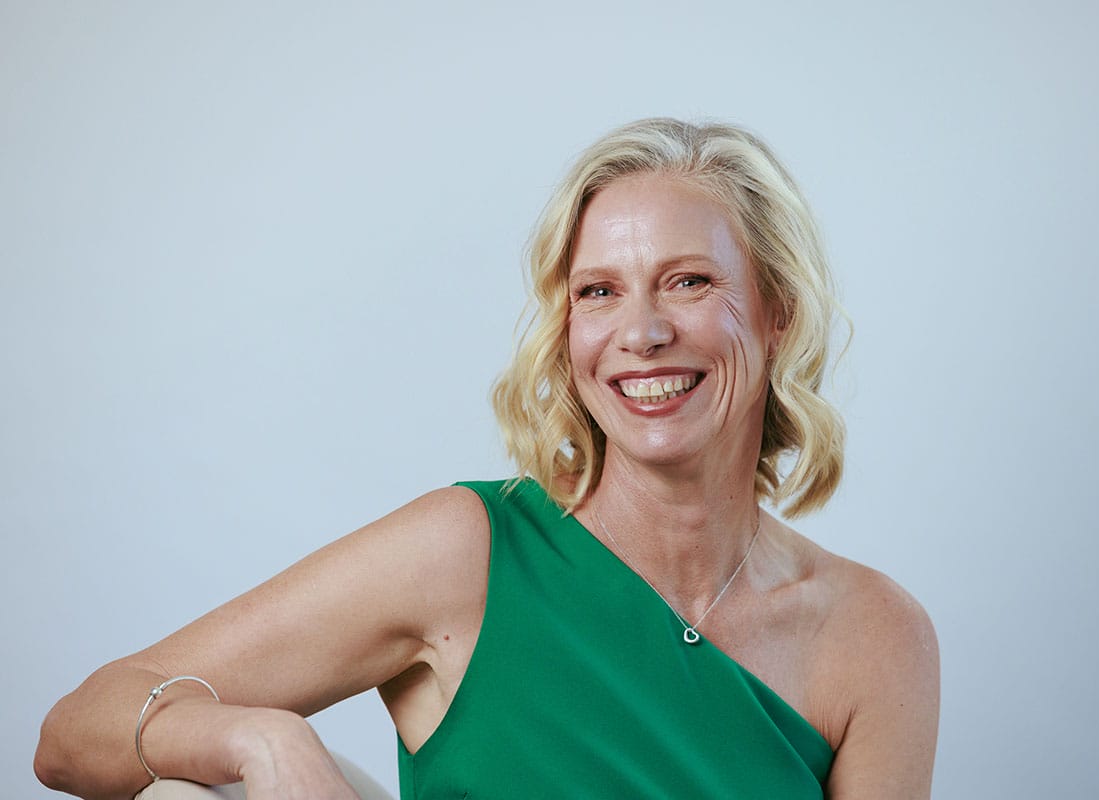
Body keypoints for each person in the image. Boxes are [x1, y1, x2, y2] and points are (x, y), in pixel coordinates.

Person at [35, 118, 939, 799]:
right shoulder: (467, 554)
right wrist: (259, 738)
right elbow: (76, 732)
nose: (642, 332)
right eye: (599, 292)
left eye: (689, 281)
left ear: (778, 312)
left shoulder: (872, 634)